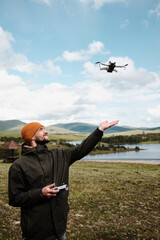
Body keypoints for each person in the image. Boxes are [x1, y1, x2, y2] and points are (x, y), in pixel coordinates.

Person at [8, 120, 119, 240]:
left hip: (60, 230)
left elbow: (82, 148)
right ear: (31, 136)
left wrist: (99, 130)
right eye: (41, 129)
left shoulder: (60, 155)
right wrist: (40, 193)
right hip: (36, 232)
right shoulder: (18, 166)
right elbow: (15, 198)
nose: (46, 131)